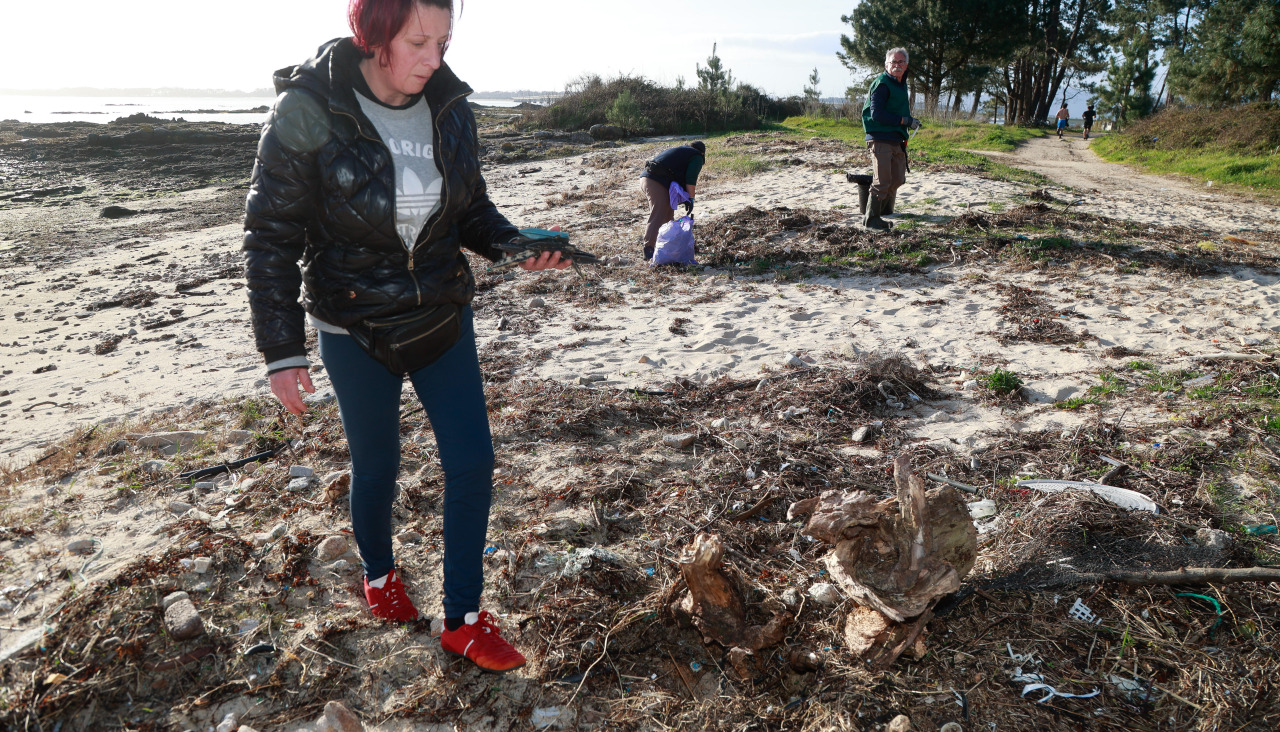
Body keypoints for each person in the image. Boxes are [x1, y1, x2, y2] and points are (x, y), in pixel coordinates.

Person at [243, 0, 570, 674]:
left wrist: (514, 244)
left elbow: (471, 210)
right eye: (419, 41)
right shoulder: (308, 108)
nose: (434, 59)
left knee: (473, 461)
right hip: (353, 323)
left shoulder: (450, 107)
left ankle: (464, 620)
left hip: (440, 312)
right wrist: (281, 350)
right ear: (375, 33)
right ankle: (380, 574)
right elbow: (270, 234)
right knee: (379, 464)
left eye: (443, 42)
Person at [860, 47, 919, 232]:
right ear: (886, 65)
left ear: (906, 65)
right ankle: (871, 220)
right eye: (893, 62)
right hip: (879, 137)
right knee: (882, 180)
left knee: (897, 179)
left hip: (897, 138)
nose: (897, 65)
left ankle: (879, 212)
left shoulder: (901, 84)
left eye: (901, 62)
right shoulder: (882, 83)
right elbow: (876, 114)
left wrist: (910, 122)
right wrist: (904, 120)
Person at [639, 141, 705, 260]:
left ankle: (667, 247)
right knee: (658, 214)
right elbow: (691, 179)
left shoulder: (683, 152)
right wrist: (691, 199)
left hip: (648, 178)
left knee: (668, 216)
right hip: (655, 181)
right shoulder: (697, 156)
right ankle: (648, 248)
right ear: (703, 153)